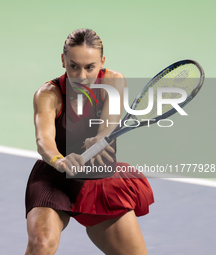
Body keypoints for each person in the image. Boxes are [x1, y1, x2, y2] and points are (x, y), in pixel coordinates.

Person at [24, 28, 154, 255]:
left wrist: (100, 139)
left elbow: (108, 124)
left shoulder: (114, 81)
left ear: (102, 62)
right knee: (41, 245)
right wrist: (59, 161)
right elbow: (43, 139)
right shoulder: (48, 94)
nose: (81, 76)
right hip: (56, 180)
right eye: (73, 66)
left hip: (100, 181)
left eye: (90, 67)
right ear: (63, 60)